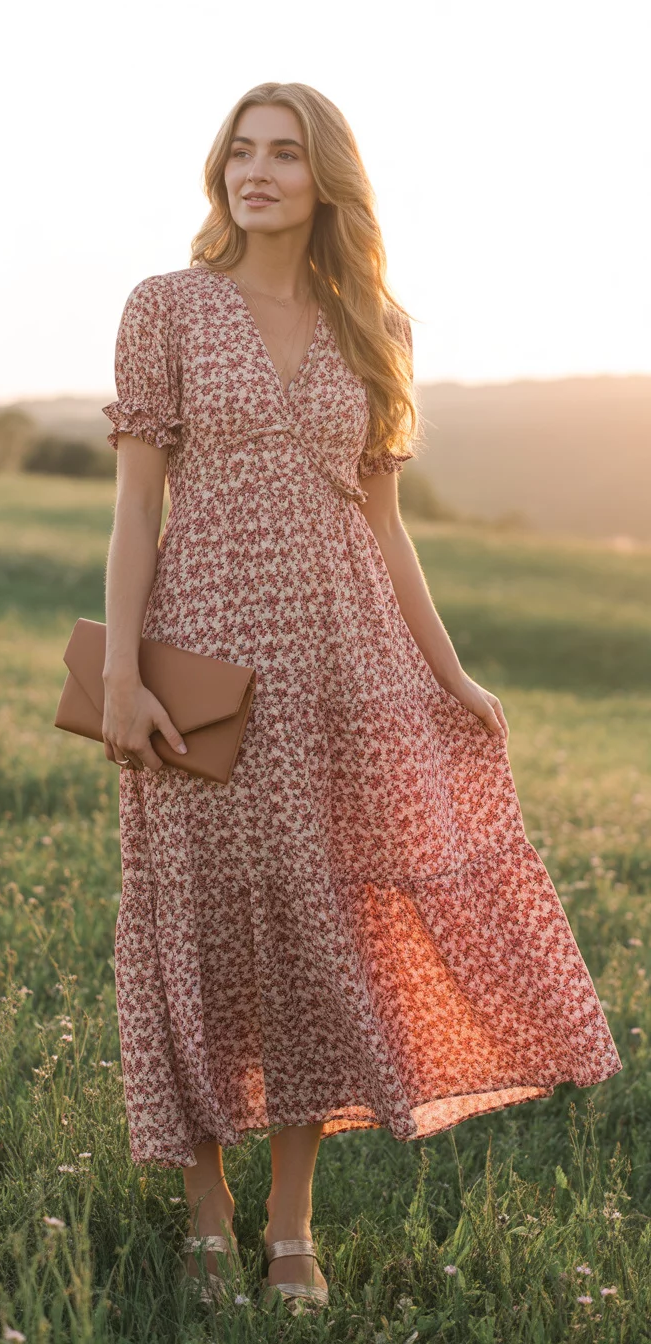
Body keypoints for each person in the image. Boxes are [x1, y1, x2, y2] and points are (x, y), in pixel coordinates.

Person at [100, 82, 622, 1313]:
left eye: (284, 153)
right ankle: (207, 1216)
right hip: (203, 658)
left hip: (345, 665)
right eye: (241, 151)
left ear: (327, 177)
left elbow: (384, 524)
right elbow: (134, 506)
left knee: (319, 937)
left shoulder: (372, 322)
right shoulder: (166, 306)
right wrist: (120, 672)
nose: (257, 171)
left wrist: (448, 672)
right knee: (199, 924)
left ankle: (291, 1225)